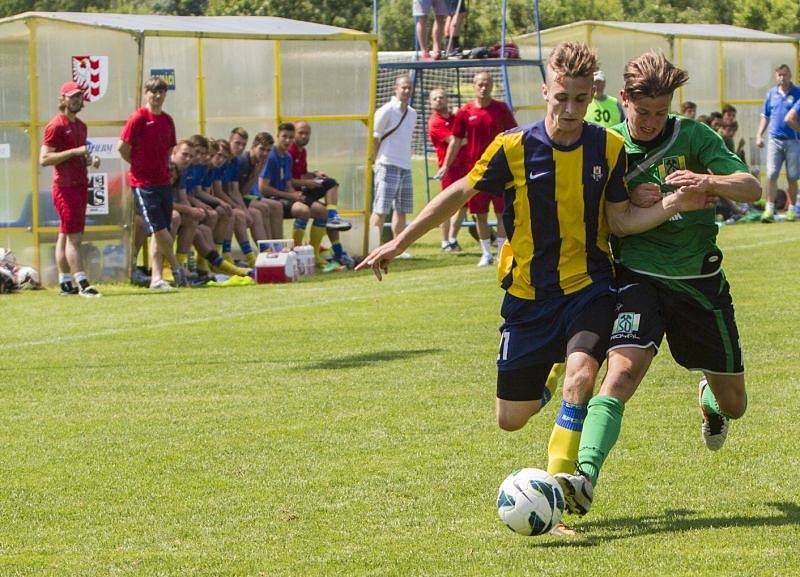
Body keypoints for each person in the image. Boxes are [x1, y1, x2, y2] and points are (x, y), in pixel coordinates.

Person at [357, 42, 713, 535]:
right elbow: (458, 192)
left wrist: (674, 203)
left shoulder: (605, 148)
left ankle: (560, 491)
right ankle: (548, 380)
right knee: (511, 418)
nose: (570, 110)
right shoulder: (513, 148)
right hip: (526, 297)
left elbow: (621, 217)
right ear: (545, 92)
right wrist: (399, 241)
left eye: (580, 100)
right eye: (561, 98)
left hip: (589, 287)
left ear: (593, 97)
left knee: (581, 379)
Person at [554, 52, 761, 519]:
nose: (649, 122)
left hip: (699, 283)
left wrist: (707, 180)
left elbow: (751, 188)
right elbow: (605, 216)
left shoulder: (695, 137)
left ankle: (710, 400)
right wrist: (636, 192)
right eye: (641, 111)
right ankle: (585, 478)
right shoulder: (608, 146)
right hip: (638, 279)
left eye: (659, 113)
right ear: (624, 99)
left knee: (736, 403)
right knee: (621, 375)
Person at [437, 70, 517, 267]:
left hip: (500, 171)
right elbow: (455, 141)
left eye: (487, 83)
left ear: (492, 86)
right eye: (480, 83)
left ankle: (500, 253)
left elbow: (514, 135)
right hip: (475, 171)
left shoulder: (501, 109)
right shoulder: (465, 112)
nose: (484, 87)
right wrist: (446, 165)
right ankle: (486, 253)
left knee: (501, 213)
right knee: (479, 214)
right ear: (474, 85)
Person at [118, 76, 188, 290]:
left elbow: (168, 148)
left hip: (163, 182)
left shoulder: (167, 120)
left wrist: (162, 167)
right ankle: (177, 268)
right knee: (158, 229)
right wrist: (138, 164)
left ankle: (156, 278)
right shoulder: (138, 117)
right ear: (146, 93)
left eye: (161, 92)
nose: (157, 96)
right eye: (153, 92)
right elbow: (123, 147)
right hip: (143, 183)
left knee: (163, 228)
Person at [40, 81, 102, 297]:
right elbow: (44, 158)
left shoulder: (81, 125)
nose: (77, 99)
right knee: (74, 237)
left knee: (65, 235)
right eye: (73, 96)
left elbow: (78, 156)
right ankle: (83, 283)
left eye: (80, 96)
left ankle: (65, 282)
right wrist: (76, 151)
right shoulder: (56, 125)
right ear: (63, 99)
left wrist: (89, 158)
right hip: (65, 188)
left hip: (79, 185)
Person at [259, 123, 330, 265]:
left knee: (322, 211)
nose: (287, 140)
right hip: (272, 200)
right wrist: (291, 196)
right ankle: (296, 253)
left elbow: (287, 183)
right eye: (284, 136)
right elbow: (263, 188)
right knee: (303, 210)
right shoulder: (271, 156)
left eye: (290, 137)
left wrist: (296, 194)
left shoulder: (287, 157)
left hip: (286, 197)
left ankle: (314, 255)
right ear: (277, 136)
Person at [288, 120, 354, 271]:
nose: (304, 136)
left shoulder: (302, 151)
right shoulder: (289, 152)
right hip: (293, 194)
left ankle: (333, 217)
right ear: (293, 134)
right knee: (321, 212)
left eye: (307, 133)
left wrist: (315, 174)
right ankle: (304, 251)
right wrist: (309, 182)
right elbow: (287, 180)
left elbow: (302, 174)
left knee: (331, 183)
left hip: (302, 187)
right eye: (301, 133)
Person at [370, 75, 417, 258]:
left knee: (402, 209)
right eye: (403, 87)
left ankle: (398, 248)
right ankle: (373, 247)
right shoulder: (386, 110)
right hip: (387, 163)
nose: (406, 91)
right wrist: (375, 162)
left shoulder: (412, 113)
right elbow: (375, 138)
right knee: (381, 209)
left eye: (409, 88)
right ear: (395, 88)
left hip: (405, 165)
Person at [756, 64, 800, 222]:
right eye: (780, 75)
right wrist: (759, 135)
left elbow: (792, 117)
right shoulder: (771, 94)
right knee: (771, 174)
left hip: (793, 141)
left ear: (790, 75)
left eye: (785, 74)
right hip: (774, 140)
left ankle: (792, 209)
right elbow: (765, 115)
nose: (782, 77)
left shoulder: (797, 93)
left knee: (792, 176)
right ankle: (769, 209)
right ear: (776, 76)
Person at [427, 87, 469, 252]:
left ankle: (452, 238)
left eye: (442, 97)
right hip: (449, 168)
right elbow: (456, 141)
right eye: (435, 98)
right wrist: (469, 138)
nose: (439, 100)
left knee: (464, 204)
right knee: (447, 204)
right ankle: (444, 241)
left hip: (464, 165)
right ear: (430, 102)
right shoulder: (435, 122)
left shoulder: (455, 117)